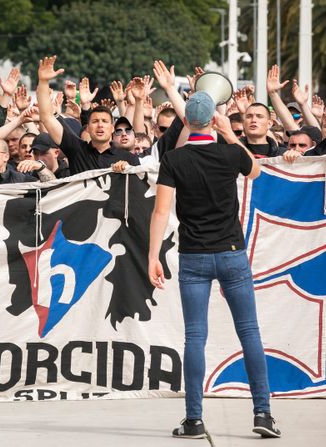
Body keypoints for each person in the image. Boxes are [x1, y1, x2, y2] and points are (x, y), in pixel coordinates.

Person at [148, 92, 281, 439]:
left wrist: (153, 256)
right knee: (249, 332)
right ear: (213, 120)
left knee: (195, 337)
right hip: (231, 251)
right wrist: (232, 134)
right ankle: (263, 413)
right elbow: (254, 171)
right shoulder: (228, 152)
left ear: (188, 122)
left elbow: (161, 212)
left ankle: (194, 419)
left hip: (193, 255)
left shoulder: (174, 160)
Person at [36, 56, 139, 174]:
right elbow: (46, 117)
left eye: (104, 121)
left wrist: (128, 169)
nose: (100, 125)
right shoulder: (76, 150)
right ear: (88, 128)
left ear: (112, 128)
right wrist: (43, 82)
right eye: (95, 122)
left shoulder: (129, 159)